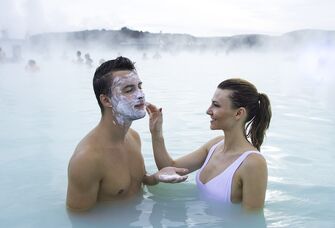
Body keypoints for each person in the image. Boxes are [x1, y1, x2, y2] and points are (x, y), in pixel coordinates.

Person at [66, 57, 188, 211]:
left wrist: (155, 177)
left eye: (139, 87)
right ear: (106, 100)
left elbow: (139, 179)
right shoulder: (87, 159)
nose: (140, 95)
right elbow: (79, 219)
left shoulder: (133, 137)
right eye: (129, 90)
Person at [146, 78, 272, 210]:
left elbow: (251, 222)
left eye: (216, 105)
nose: (208, 110)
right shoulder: (215, 145)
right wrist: (156, 133)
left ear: (238, 113)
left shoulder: (253, 163)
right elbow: (169, 168)